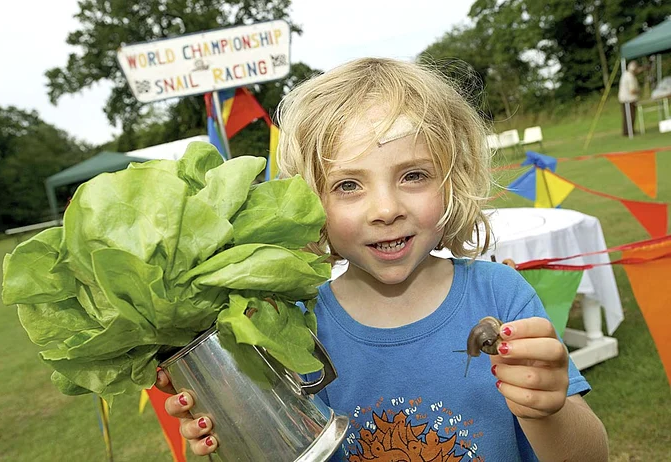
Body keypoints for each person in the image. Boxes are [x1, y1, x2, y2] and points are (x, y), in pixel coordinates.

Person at [158, 57, 609, 461]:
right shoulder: (291, 325)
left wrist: (546, 411)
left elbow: (589, 456)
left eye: (413, 175)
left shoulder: (500, 294)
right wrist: (236, 425)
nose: (386, 209)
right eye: (348, 185)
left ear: (453, 180)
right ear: (308, 205)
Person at [618, 60, 641, 136]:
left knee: (627, 116)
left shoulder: (626, 75)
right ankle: (628, 132)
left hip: (625, 99)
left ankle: (628, 131)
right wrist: (638, 91)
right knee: (630, 116)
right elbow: (632, 91)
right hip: (628, 99)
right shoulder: (630, 77)